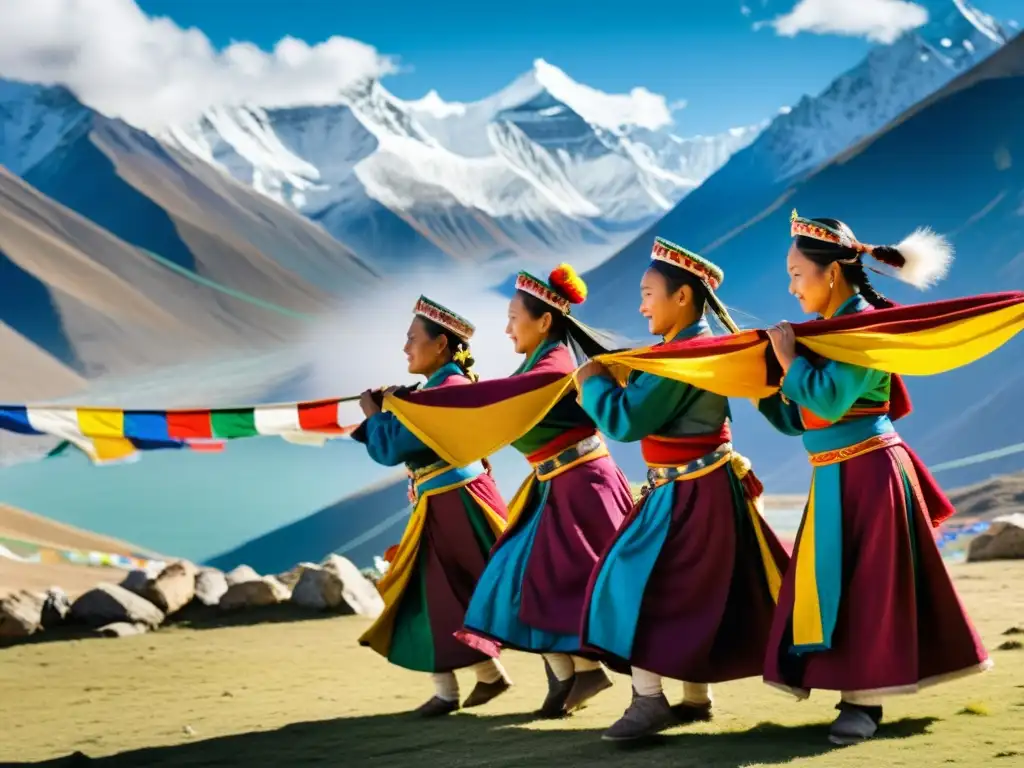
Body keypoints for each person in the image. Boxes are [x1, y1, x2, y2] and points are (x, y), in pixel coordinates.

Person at [758, 212, 992, 745]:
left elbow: (830, 398)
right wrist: (764, 389)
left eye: (797, 274)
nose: (791, 287)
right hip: (833, 474)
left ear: (831, 275)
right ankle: (849, 690)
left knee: (867, 588)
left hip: (870, 473)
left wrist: (788, 360)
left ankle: (864, 703)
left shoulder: (864, 330)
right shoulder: (829, 332)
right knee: (836, 586)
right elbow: (805, 418)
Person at [574, 238, 789, 742]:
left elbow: (626, 420)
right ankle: (695, 697)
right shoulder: (690, 352)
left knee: (631, 584)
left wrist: (591, 382)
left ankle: (649, 702)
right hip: (695, 490)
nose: (641, 305)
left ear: (684, 298)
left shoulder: (688, 356)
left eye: (649, 293)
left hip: (688, 494)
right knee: (692, 593)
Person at [457, 264, 635, 718]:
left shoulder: (551, 367)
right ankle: (570, 675)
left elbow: (507, 401)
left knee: (550, 583)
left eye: (514, 316)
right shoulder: (536, 363)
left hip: (581, 486)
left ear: (544, 321)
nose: (507, 326)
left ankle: (589, 673)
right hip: (556, 484)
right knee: (517, 578)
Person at [354, 296, 512, 717]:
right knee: (440, 593)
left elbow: (393, 447)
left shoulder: (445, 393)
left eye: (412, 340)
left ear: (440, 344)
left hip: (452, 504)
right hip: (443, 503)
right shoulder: (437, 392)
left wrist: (374, 415)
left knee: (438, 592)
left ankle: (564, 673)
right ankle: (479, 679)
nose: (406, 349)